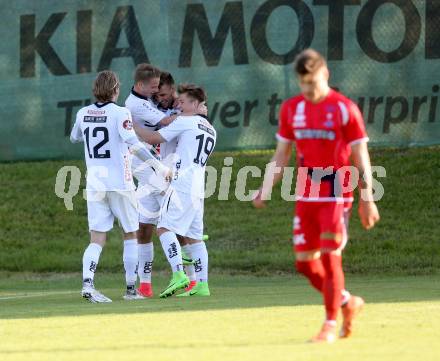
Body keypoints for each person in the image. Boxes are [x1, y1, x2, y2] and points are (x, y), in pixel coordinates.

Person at [253, 49, 380, 342]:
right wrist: (264, 188)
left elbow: (361, 156)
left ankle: (330, 324)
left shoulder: (344, 108)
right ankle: (348, 303)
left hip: (337, 191)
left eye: (313, 82)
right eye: (303, 83)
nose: (309, 90)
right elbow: (281, 155)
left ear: (325, 74)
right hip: (306, 191)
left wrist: (368, 198)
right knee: (304, 264)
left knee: (330, 255)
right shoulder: (291, 109)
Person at [70, 70, 170, 303]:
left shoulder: (83, 113)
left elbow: (75, 137)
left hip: (95, 183)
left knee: (97, 238)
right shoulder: (120, 113)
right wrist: (159, 167)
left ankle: (88, 284)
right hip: (120, 183)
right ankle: (130, 289)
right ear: (115, 90)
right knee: (130, 234)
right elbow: (134, 144)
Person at [134, 84, 216, 298]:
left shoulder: (184, 121)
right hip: (198, 186)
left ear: (196, 104)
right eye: (178, 101)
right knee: (196, 238)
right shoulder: (211, 129)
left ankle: (179, 274)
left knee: (163, 228)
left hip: (182, 184)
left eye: (183, 102)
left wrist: (131, 125)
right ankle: (202, 285)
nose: (178, 104)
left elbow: (152, 139)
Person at [125, 64, 178, 298]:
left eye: (160, 89)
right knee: (175, 214)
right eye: (154, 88)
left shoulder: (147, 99)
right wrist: (191, 113)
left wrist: (177, 102)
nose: (156, 93)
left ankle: (145, 285)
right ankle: (186, 275)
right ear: (141, 86)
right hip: (142, 161)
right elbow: (166, 122)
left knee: (145, 225)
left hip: (148, 162)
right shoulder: (136, 104)